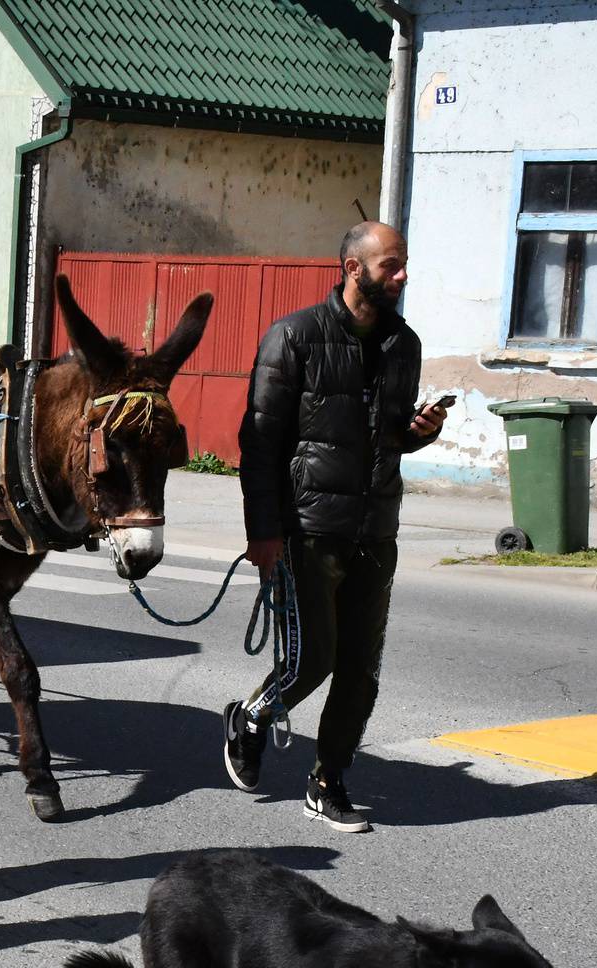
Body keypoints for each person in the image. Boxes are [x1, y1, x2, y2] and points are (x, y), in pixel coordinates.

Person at [223, 221, 449, 833]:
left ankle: (328, 781)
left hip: (376, 529)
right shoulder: (293, 338)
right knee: (313, 660)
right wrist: (263, 532)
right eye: (390, 266)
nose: (401, 277)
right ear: (354, 269)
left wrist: (418, 433)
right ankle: (251, 717)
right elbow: (260, 443)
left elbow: (388, 433)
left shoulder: (405, 345)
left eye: (404, 266)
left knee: (361, 668)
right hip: (307, 529)